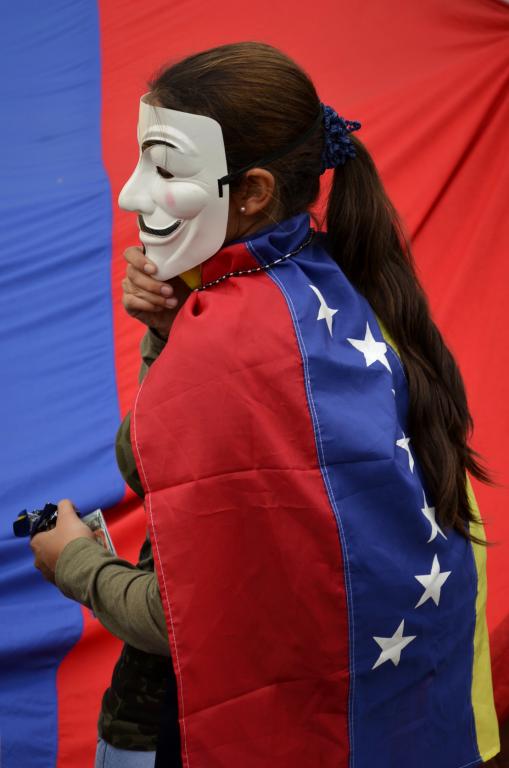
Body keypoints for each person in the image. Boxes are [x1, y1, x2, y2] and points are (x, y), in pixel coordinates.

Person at [30, 42, 500, 768]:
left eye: (163, 166)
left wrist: (75, 564)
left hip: (236, 718)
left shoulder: (236, 341)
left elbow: (181, 604)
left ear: (250, 192)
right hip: (410, 690)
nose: (129, 193)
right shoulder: (335, 270)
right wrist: (171, 325)